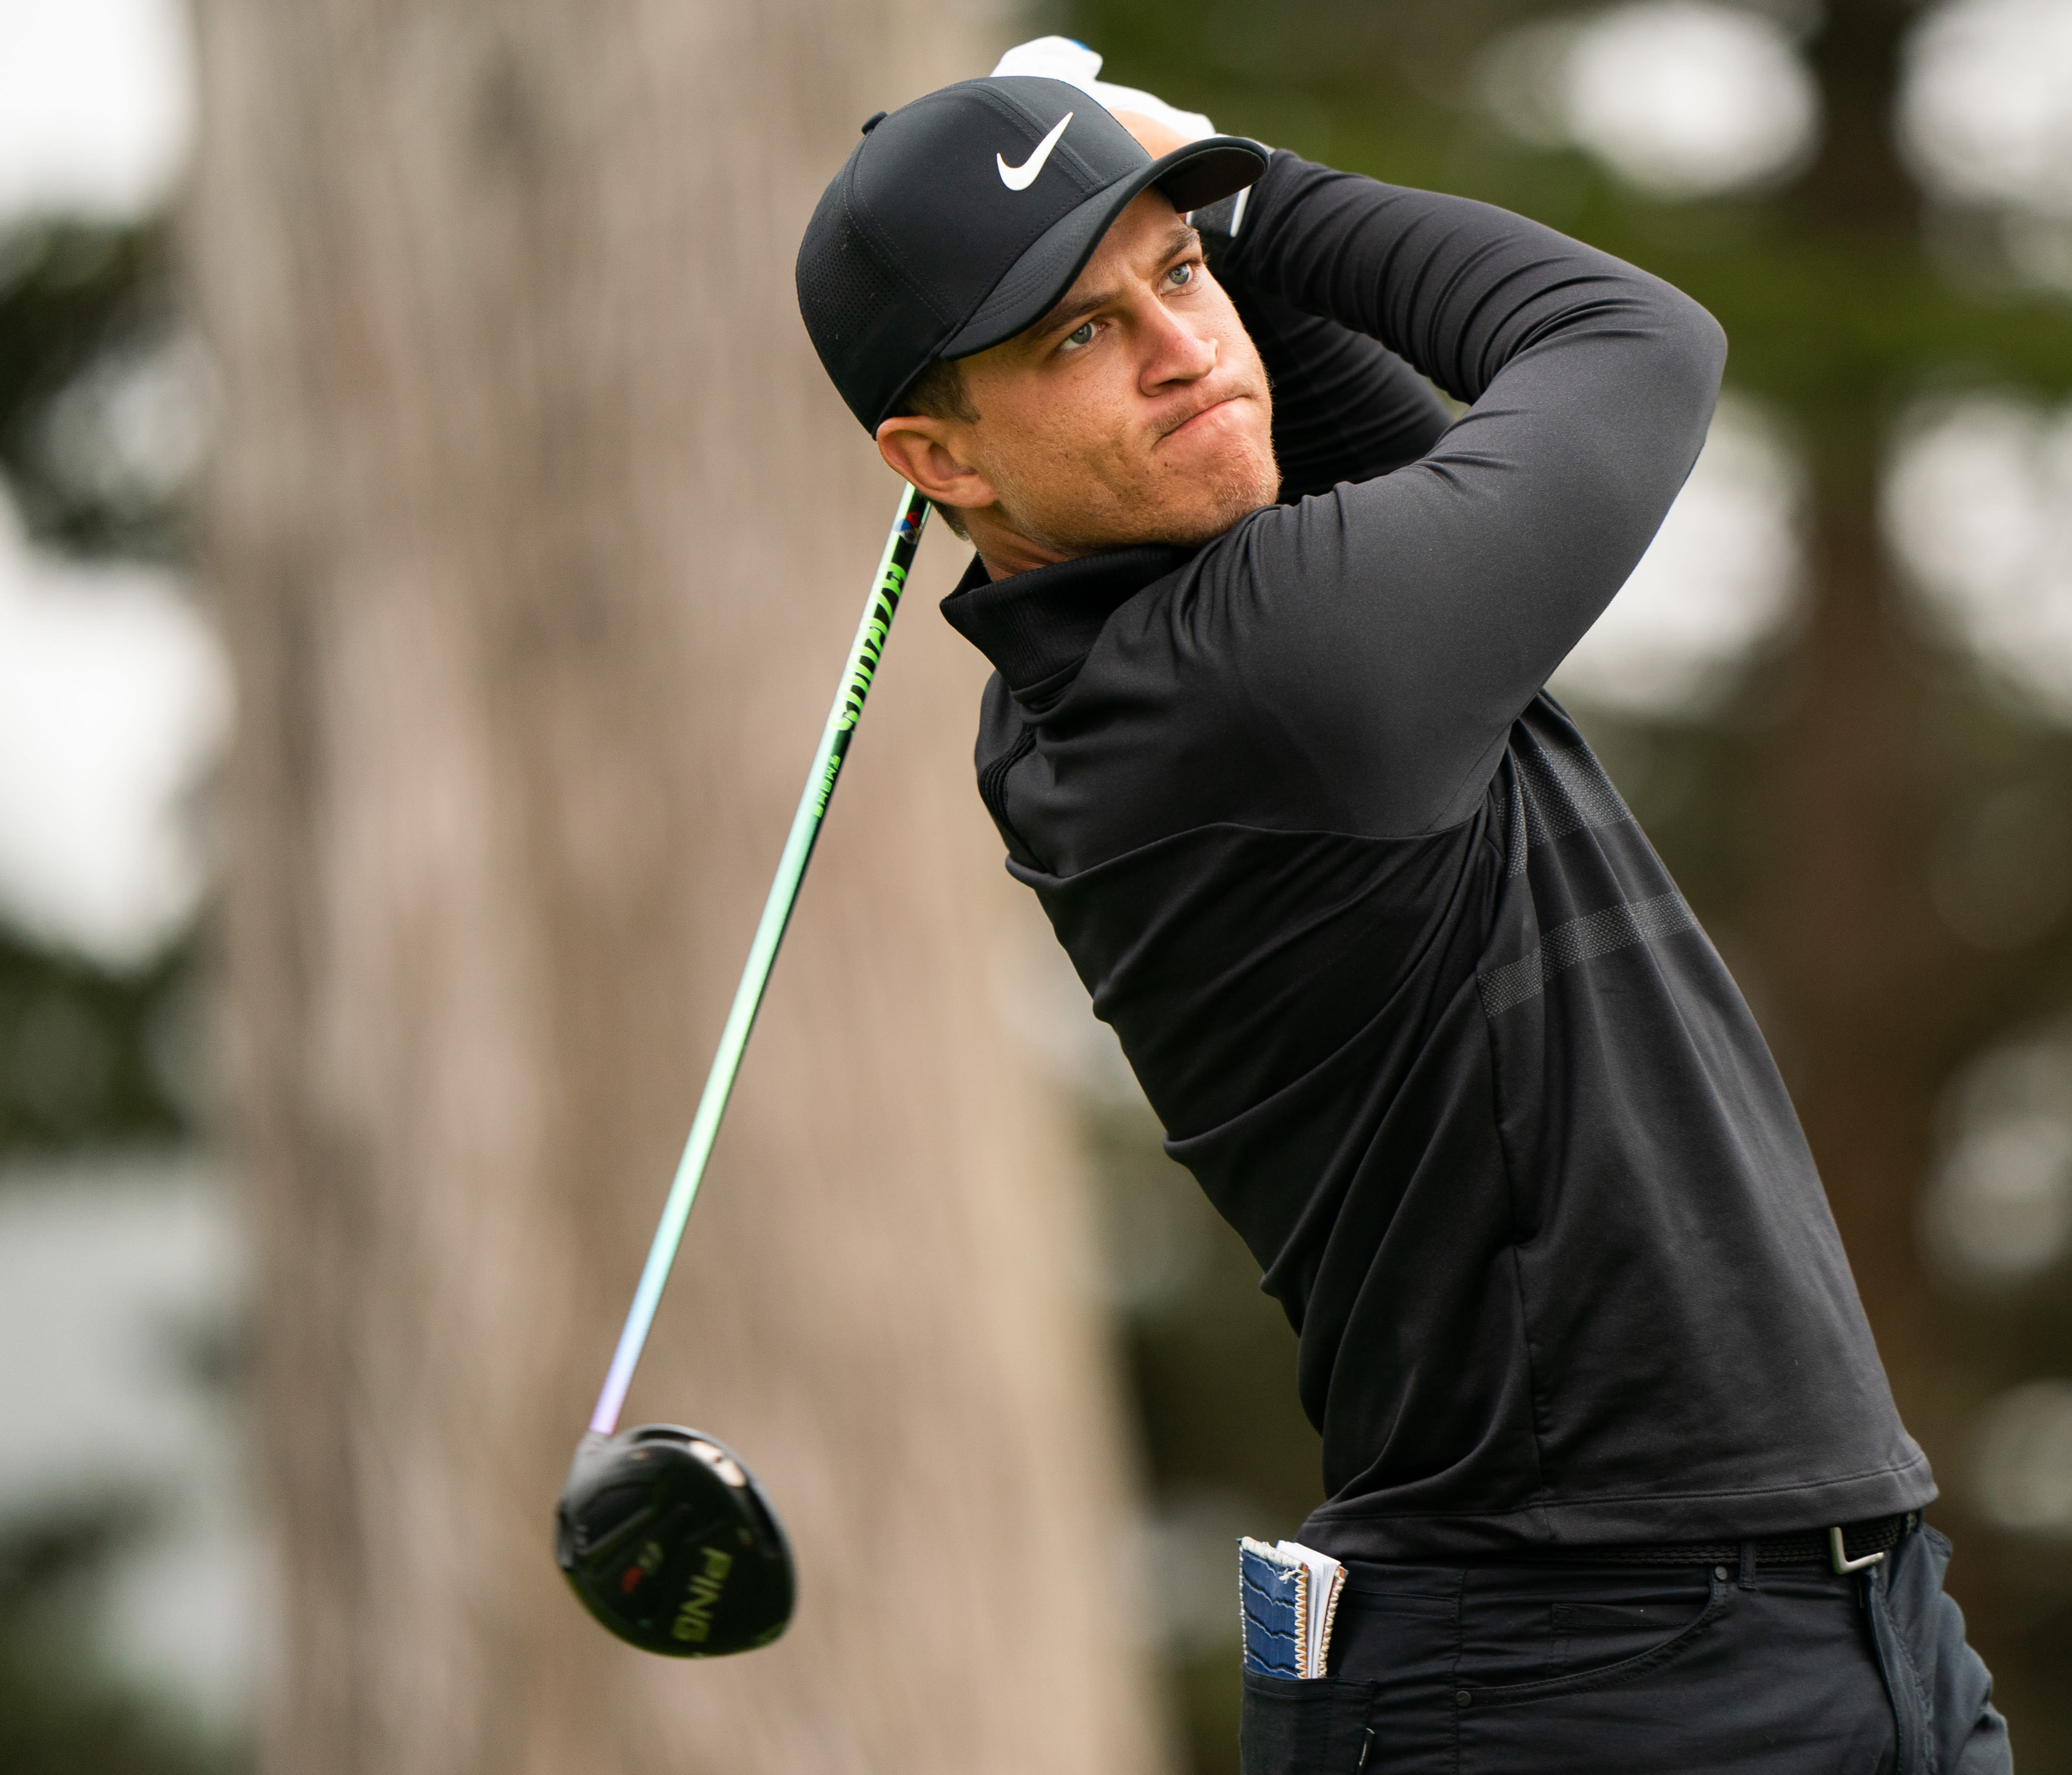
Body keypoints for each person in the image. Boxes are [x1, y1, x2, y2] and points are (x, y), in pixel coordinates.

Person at [796, 41, 2009, 1775]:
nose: (1180, 350)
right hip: (1578, 1683)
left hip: (1822, 1623)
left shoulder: (1145, 651)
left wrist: (1143, 210)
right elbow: (1631, 344)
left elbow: (1313, 411)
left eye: (1183, 274)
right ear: (943, 458)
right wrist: (1231, 170)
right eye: (1077, 334)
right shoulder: (1267, 678)